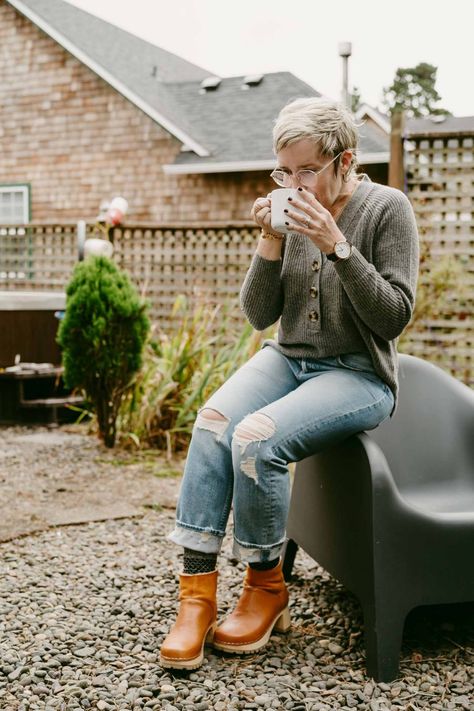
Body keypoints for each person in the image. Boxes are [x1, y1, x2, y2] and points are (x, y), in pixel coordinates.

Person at [159, 97, 419, 669]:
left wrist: (337, 246)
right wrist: (270, 243)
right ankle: (196, 593)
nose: (294, 184)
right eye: (284, 172)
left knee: (256, 439)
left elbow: (394, 316)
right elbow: (258, 316)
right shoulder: (291, 213)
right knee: (213, 424)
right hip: (289, 358)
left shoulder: (387, 209)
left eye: (306, 171)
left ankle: (264, 587)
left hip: (358, 373)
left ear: (343, 160)